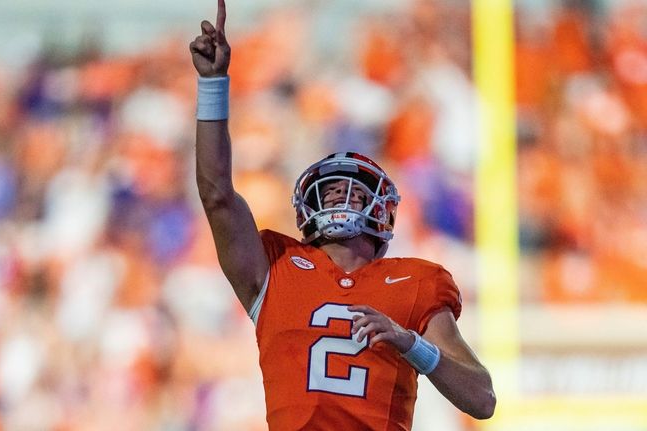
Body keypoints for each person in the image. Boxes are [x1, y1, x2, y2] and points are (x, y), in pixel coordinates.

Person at [189, 1, 496, 429]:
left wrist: (411, 344)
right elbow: (217, 193)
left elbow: (481, 398)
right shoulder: (275, 267)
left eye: (353, 192)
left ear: (383, 210)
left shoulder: (418, 282)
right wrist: (213, 85)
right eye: (331, 189)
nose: (340, 196)